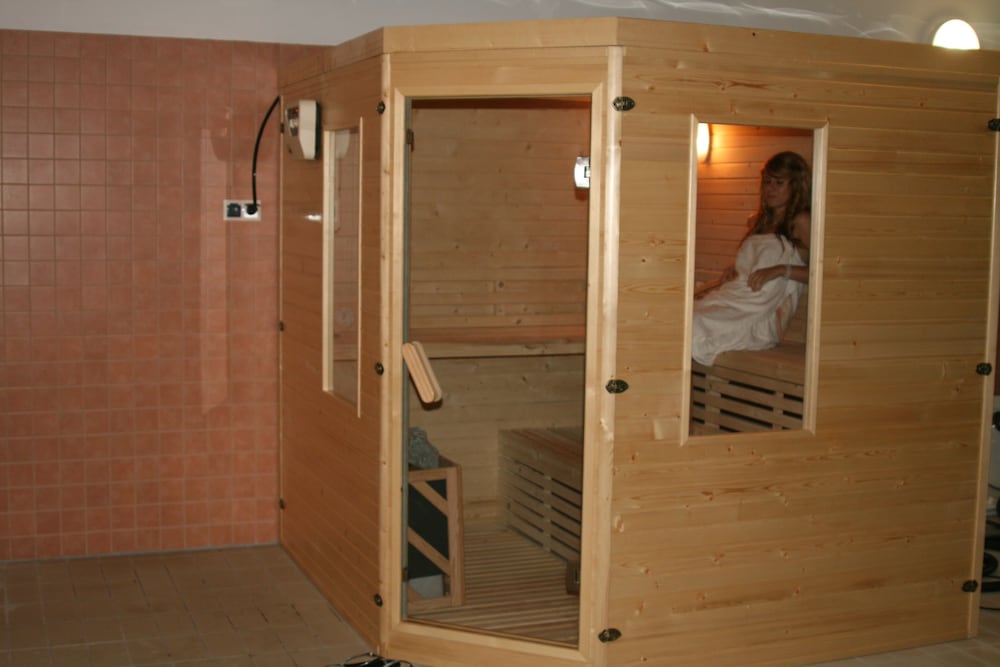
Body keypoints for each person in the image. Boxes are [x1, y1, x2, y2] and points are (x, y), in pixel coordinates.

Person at [692, 151, 811, 366]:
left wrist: (781, 269)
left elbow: (822, 274)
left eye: (779, 183)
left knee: (695, 323)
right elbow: (756, 262)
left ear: (796, 185)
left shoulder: (801, 222)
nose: (771, 188)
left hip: (759, 314)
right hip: (734, 298)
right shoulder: (759, 222)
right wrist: (735, 269)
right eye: (767, 182)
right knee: (681, 316)